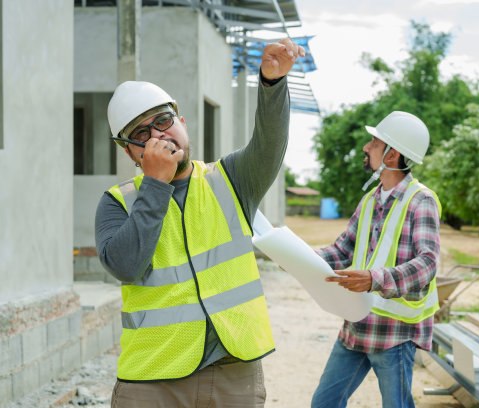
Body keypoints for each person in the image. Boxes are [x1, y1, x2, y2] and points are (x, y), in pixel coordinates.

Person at [95, 38, 305, 408]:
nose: (158, 134)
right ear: (128, 151)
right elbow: (127, 266)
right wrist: (156, 185)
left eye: (163, 121)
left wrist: (272, 85)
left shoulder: (231, 179)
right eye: (141, 134)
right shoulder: (117, 203)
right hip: (152, 378)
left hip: (233, 370)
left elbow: (269, 143)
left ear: (182, 122)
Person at [311, 111, 441, 408]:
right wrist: (299, 258)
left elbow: (427, 264)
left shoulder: (421, 201)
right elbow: (342, 250)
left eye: (374, 142)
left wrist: (375, 279)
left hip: (394, 333)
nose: (366, 148)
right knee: (323, 404)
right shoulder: (370, 200)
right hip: (357, 325)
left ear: (392, 156)